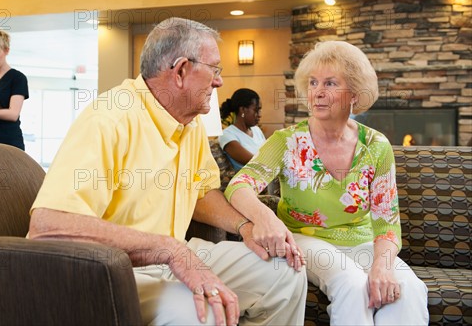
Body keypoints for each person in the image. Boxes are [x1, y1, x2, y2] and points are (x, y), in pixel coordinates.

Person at [28, 17, 307, 325]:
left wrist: (245, 227)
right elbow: (47, 225)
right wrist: (169, 250)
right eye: (215, 69)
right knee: (205, 310)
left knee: (284, 271)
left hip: (171, 254)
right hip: (111, 269)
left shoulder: (191, 122)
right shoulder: (109, 119)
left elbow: (201, 191)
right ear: (181, 70)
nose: (219, 82)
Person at [224, 41, 429, 325]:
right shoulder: (287, 142)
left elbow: (387, 224)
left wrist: (382, 266)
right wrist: (264, 217)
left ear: (355, 94)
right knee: (353, 285)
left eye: (330, 83)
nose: (317, 92)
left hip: (362, 242)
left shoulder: (377, 146)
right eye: (312, 83)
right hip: (307, 239)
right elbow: (238, 186)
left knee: (409, 290)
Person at [219, 88, 266, 170]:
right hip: (249, 180)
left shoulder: (256, 130)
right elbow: (253, 163)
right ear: (243, 110)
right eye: (256, 110)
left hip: (267, 177)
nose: (259, 115)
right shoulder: (227, 135)